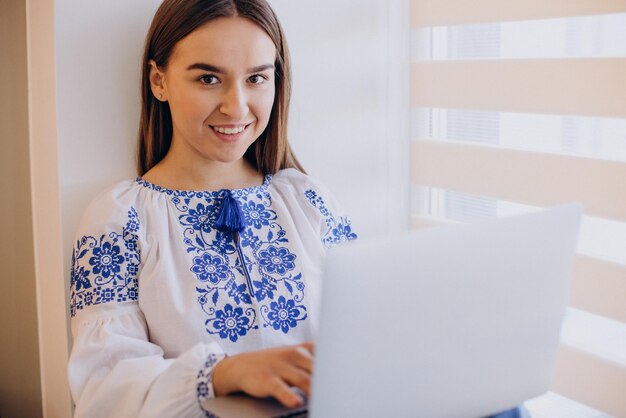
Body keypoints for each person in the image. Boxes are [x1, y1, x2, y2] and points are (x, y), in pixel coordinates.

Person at [67, 1, 527, 417]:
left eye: (257, 78)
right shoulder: (119, 217)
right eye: (208, 78)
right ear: (159, 80)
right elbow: (103, 390)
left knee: (503, 405)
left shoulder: (306, 198)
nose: (236, 105)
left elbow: (366, 326)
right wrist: (224, 373)